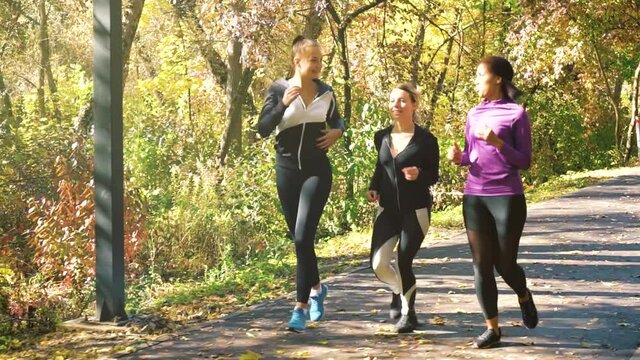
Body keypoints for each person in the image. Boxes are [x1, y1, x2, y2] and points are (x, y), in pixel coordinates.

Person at [447, 56, 538, 348]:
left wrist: (498, 142)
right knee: (481, 265)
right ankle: (492, 329)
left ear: (498, 78)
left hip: (507, 197)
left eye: (480, 75)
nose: (475, 81)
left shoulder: (516, 113)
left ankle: (523, 294)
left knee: (505, 264)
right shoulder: (473, 113)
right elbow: (472, 155)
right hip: (475, 195)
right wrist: (459, 158)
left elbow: (524, 161)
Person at [257, 36, 344, 332]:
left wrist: (338, 133)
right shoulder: (280, 89)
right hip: (287, 172)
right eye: (313, 60)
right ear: (298, 61)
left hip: (317, 171)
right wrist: (282, 104)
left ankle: (300, 306)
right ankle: (318, 288)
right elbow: (263, 128)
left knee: (303, 236)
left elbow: (338, 122)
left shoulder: (326, 92)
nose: (319, 65)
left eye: (320, 59)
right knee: (300, 239)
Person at [367, 83, 439, 333]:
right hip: (387, 210)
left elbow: (434, 175)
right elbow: (381, 168)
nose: (395, 105)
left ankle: (409, 315)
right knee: (378, 264)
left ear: (414, 104)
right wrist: (373, 187)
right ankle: (398, 291)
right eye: (392, 101)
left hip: (416, 211)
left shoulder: (427, 140)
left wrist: (419, 173)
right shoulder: (382, 137)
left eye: (402, 101)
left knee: (404, 259)